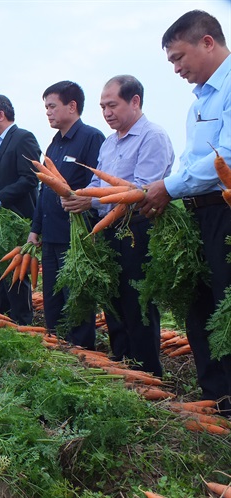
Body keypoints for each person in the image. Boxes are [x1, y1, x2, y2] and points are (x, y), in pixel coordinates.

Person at [141, 10, 231, 405]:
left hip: (224, 210)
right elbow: (190, 162)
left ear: (207, 42)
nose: (176, 68)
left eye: (179, 58)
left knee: (225, 308)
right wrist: (172, 190)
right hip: (197, 214)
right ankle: (215, 397)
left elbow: (224, 158)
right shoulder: (197, 103)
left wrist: (168, 187)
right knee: (200, 307)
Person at [62, 75, 174, 376]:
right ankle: (124, 364)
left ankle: (149, 372)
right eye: (102, 107)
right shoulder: (110, 143)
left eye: (112, 105)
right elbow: (99, 183)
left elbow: (139, 190)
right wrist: (78, 195)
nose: (106, 113)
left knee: (137, 302)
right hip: (109, 229)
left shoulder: (153, 137)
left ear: (135, 101)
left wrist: (92, 201)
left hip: (138, 229)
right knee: (112, 300)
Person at [27, 81, 106, 349]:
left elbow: (99, 187)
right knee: (53, 299)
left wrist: (87, 205)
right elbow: (45, 191)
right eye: (46, 107)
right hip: (51, 235)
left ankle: (82, 354)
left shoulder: (91, 138)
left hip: (76, 238)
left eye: (52, 106)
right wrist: (35, 229)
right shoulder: (53, 146)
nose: (47, 112)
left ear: (72, 106)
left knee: (77, 301)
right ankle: (58, 350)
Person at [0, 95, 40, 324]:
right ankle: (4, 323)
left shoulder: (23, 138)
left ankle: (22, 326)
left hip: (14, 220)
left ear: (0, 115)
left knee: (15, 278)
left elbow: (30, 179)